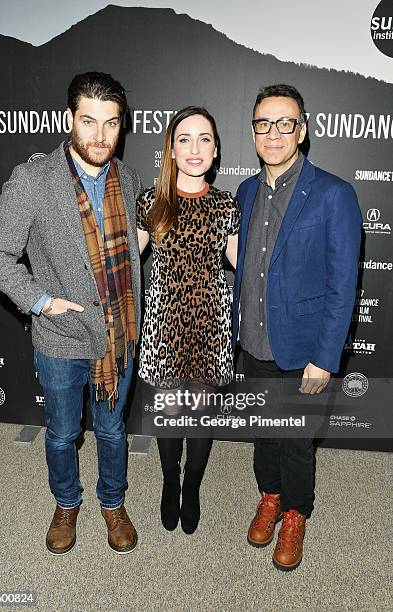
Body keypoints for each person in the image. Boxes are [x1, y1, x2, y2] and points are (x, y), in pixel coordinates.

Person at [0, 72, 143, 556]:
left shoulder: (127, 178)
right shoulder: (32, 179)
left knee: (113, 430)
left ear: (121, 126)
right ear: (69, 118)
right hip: (60, 336)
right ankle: (66, 503)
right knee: (62, 433)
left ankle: (112, 503)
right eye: (89, 121)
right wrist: (42, 301)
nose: (100, 136)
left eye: (111, 124)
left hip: (117, 333)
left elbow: (124, 250)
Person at [232, 84, 361, 570]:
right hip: (254, 341)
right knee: (264, 432)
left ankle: (296, 514)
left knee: (296, 440)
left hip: (304, 347)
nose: (274, 133)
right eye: (264, 124)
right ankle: (270, 496)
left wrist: (325, 359)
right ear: (253, 131)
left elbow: (342, 284)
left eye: (285, 123)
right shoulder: (245, 191)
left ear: (302, 130)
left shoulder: (334, 194)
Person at [136, 106, 239, 534]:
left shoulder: (226, 205)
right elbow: (122, 265)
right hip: (163, 325)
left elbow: (245, 266)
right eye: (184, 139)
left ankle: (192, 487)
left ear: (215, 151)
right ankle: (168, 481)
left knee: (199, 417)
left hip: (211, 326)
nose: (194, 148)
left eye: (204, 139)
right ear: (171, 151)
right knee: (169, 413)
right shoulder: (150, 202)